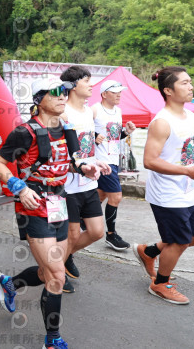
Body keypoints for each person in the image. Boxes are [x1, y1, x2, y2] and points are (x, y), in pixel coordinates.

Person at [0, 77, 104, 349]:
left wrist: (86, 168)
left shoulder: (66, 129)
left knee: (47, 273)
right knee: (57, 275)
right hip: (33, 206)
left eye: (64, 91)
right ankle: (52, 339)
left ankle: (9, 284)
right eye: (54, 93)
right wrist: (19, 187)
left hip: (60, 204)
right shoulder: (25, 132)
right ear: (38, 100)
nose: (62, 96)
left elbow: (71, 162)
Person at [133, 67, 194, 305]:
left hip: (189, 189)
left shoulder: (191, 116)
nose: (191, 86)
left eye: (190, 82)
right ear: (168, 90)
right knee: (180, 241)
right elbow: (149, 161)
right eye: (184, 83)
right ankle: (160, 284)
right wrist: (188, 170)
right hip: (167, 194)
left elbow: (190, 148)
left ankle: (149, 252)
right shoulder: (161, 122)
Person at [59, 66, 112, 293]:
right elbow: (60, 152)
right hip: (68, 186)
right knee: (71, 234)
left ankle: (63, 256)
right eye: (86, 81)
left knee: (96, 232)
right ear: (72, 86)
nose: (91, 85)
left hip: (89, 182)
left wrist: (97, 161)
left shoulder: (89, 111)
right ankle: (57, 271)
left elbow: (87, 146)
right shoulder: (62, 113)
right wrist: (81, 167)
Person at [91, 79, 137, 251]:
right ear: (104, 94)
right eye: (114, 92)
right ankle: (111, 235)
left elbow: (114, 137)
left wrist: (126, 132)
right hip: (102, 161)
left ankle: (81, 219)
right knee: (116, 197)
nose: (119, 95)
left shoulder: (118, 111)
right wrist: (94, 135)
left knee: (101, 195)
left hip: (114, 159)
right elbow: (81, 130)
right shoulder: (95, 109)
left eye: (120, 92)